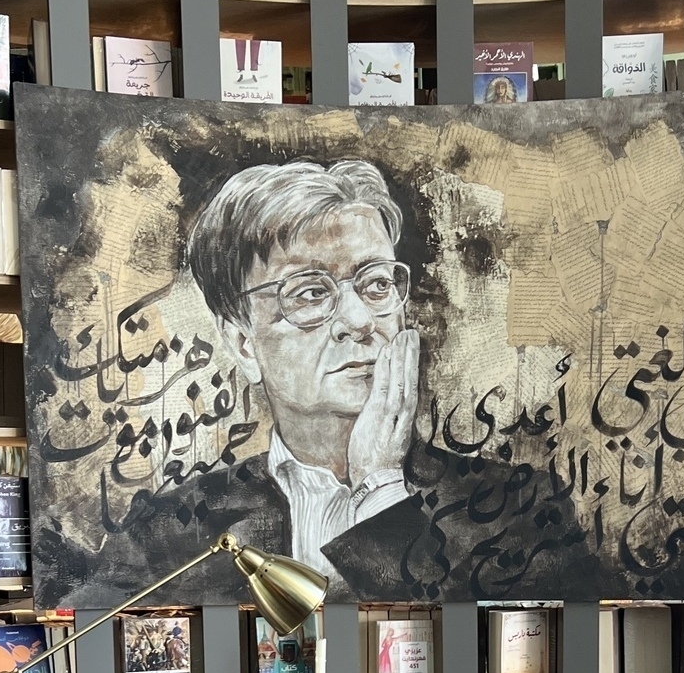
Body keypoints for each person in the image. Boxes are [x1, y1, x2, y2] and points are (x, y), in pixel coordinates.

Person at [106, 157, 604, 603]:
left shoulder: (524, 511)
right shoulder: (162, 538)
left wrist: (379, 485)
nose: (360, 319)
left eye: (377, 284)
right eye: (309, 293)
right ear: (243, 344)